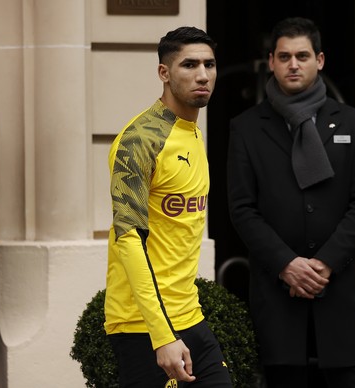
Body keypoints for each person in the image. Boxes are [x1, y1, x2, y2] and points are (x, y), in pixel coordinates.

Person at [227, 17, 355, 388]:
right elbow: (242, 208)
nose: (293, 64)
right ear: (272, 62)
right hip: (278, 297)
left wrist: (324, 263)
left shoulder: (353, 122)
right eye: (285, 56)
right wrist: (287, 265)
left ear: (320, 60)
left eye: (302, 55)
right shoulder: (246, 127)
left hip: (340, 293)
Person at [104, 26, 232, 388]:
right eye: (189, 64)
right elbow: (128, 239)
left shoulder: (192, 131)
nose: (203, 75)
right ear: (164, 73)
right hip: (141, 325)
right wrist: (161, 335)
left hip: (189, 315)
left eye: (210, 64)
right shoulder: (139, 140)